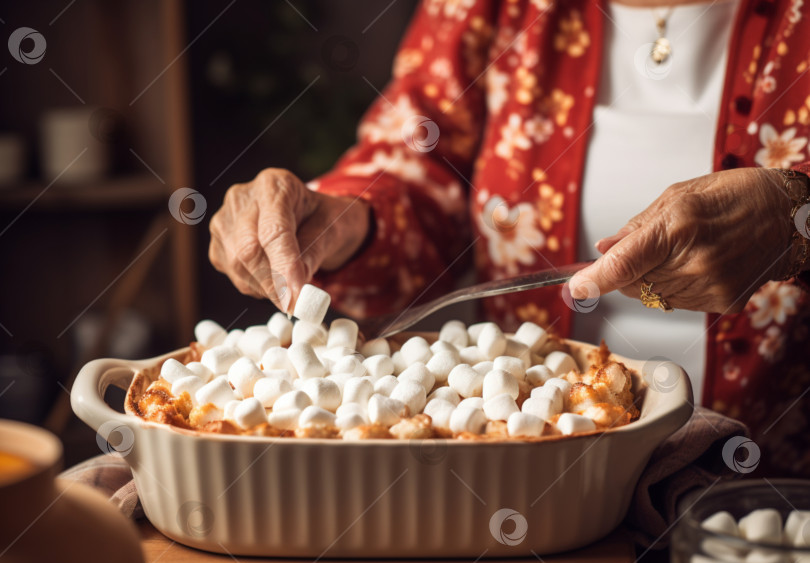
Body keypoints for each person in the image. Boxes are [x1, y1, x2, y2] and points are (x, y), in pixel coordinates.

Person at [209, 0, 810, 476]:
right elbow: (419, 166)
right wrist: (342, 222)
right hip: (528, 484)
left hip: (776, 483)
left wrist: (797, 221)